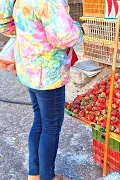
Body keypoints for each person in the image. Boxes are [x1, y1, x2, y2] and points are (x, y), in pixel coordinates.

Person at [0, 0, 83, 179]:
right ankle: (48, 176)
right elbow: (64, 37)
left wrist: (30, 34)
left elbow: (3, 22)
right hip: (48, 74)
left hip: (28, 68)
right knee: (51, 126)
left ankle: (35, 175)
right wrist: (79, 28)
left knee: (40, 120)